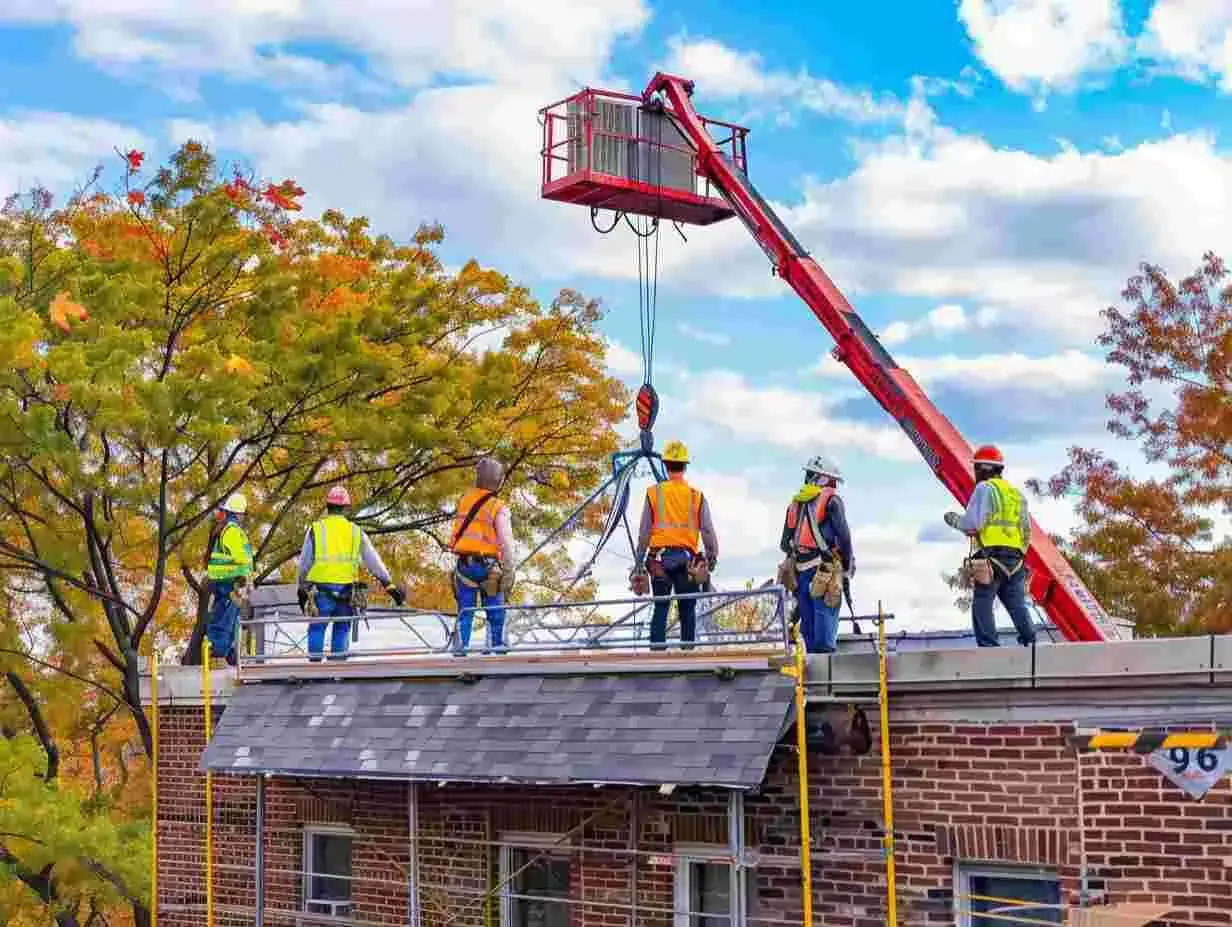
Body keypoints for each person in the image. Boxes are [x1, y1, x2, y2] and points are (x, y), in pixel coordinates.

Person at [297, 485, 404, 661]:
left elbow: (304, 563)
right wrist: (388, 583)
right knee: (342, 629)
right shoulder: (356, 531)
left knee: (317, 628)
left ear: (328, 506)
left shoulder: (315, 529)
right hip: (347, 592)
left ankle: (313, 673)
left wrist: (301, 588)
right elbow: (373, 560)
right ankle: (337, 671)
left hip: (320, 591)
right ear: (345, 507)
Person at [943, 444, 1036, 648]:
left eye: (976, 468)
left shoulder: (985, 489)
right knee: (1016, 602)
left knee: (983, 600)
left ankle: (989, 646)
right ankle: (1030, 641)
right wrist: (1019, 554)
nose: (974, 473)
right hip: (1017, 557)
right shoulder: (1015, 494)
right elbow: (1027, 531)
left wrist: (954, 520)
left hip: (992, 555)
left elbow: (973, 524)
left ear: (983, 469)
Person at [633, 440, 719, 650]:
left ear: (666, 464)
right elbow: (707, 529)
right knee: (687, 608)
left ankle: (657, 655)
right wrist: (711, 557)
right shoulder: (695, 496)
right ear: (685, 466)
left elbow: (644, 531)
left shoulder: (654, 493)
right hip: (687, 560)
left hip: (659, 560)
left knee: (660, 606)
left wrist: (639, 561)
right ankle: (688, 653)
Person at [778, 455, 854, 654]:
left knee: (808, 627)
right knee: (825, 624)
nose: (834, 486)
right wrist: (846, 566)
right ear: (824, 479)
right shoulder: (832, 501)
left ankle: (809, 674)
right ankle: (824, 672)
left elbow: (785, 544)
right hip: (825, 571)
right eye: (833, 481)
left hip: (801, 572)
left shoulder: (795, 503)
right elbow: (844, 537)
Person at [449, 457, 515, 655]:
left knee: (465, 612)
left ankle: (460, 653)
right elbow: (506, 542)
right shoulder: (498, 507)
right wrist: (509, 569)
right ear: (499, 481)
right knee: (495, 611)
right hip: (489, 568)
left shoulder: (464, 501)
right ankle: (498, 650)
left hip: (464, 566)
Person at [205, 493, 254, 666]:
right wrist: (246, 574)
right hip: (230, 581)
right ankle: (218, 653)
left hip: (228, 580)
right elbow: (239, 556)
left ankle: (227, 654)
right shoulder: (232, 530)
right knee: (225, 619)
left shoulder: (227, 529)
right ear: (238, 514)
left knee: (229, 618)